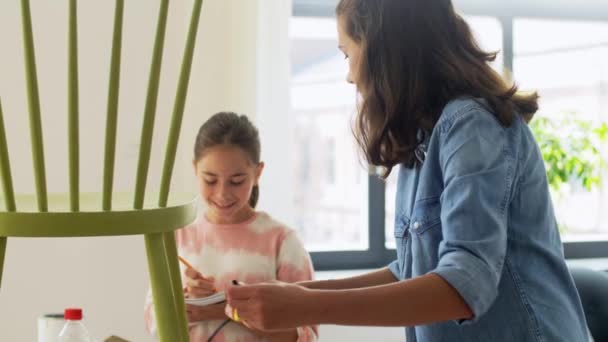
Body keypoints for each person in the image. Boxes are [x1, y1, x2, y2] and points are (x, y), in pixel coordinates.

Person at [224, 1, 590, 341]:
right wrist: (296, 294)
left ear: (383, 49)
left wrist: (303, 306)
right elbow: (412, 269)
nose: (349, 76)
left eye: (347, 54)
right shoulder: (424, 137)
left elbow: (464, 283)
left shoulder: (473, 127)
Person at [144, 112, 318, 342]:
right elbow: (152, 322)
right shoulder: (178, 238)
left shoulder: (282, 241)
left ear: (257, 173)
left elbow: (307, 336)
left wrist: (220, 310)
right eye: (210, 180)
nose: (222, 193)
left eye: (237, 181)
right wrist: (184, 298)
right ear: (195, 169)